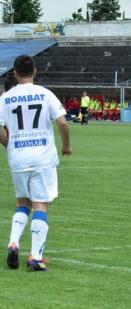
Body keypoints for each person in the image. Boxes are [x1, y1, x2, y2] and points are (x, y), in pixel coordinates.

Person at [0, 55, 72, 271]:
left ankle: (13, 243)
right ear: (35, 71)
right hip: (42, 157)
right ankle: (35, 257)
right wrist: (66, 145)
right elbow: (62, 122)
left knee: (22, 203)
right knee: (40, 205)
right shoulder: (45, 94)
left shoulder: (6, 97)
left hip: (18, 157)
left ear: (14, 72)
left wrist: (8, 144)